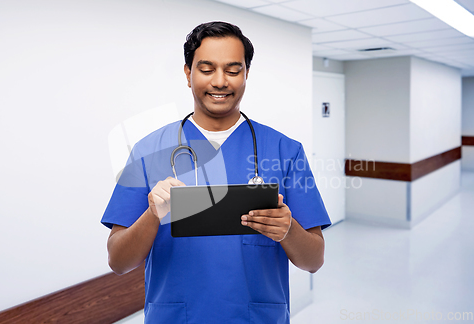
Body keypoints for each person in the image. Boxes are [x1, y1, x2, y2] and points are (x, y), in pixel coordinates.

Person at [101, 21, 331, 323]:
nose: (220, 81)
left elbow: (313, 260)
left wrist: (288, 230)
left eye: (233, 70)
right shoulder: (147, 151)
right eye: (207, 69)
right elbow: (118, 261)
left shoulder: (285, 151)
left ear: (246, 74)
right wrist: (153, 215)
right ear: (188, 74)